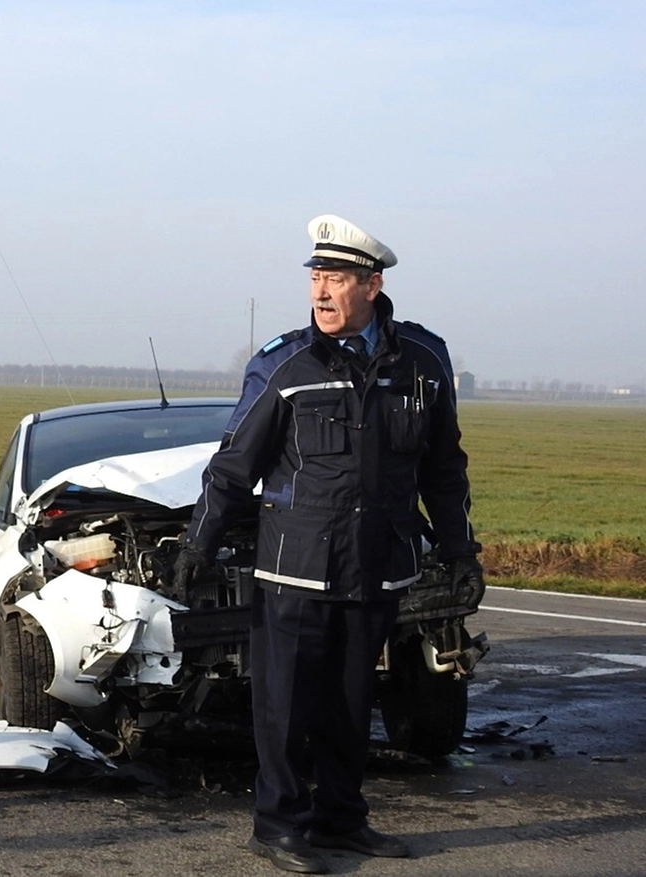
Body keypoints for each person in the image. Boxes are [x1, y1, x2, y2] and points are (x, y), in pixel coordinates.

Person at [176, 215, 484, 874]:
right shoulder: (285, 364)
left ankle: (343, 817)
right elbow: (234, 464)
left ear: (371, 284)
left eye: (336, 277)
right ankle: (279, 824)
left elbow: (443, 466)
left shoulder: (423, 364)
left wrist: (459, 548)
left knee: (350, 704)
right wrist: (198, 543)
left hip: (375, 567)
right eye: (316, 276)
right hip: (295, 571)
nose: (321, 289)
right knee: (284, 707)